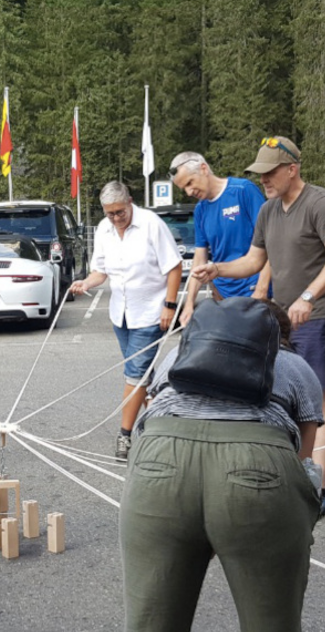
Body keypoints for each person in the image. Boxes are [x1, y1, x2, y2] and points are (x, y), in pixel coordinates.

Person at [112, 297, 324, 632]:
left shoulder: (177, 355)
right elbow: (303, 457)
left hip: (159, 466)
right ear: (278, 337)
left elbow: (148, 414)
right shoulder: (296, 368)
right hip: (257, 472)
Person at [190, 137, 325, 516]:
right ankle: (289, 477)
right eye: (259, 173)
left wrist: (309, 297)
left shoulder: (318, 202)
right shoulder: (268, 211)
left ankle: (316, 490)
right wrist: (217, 268)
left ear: (292, 169)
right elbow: (252, 260)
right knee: (282, 395)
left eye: (270, 171)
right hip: (283, 316)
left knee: (316, 402)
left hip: (318, 315)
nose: (263, 178)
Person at [70, 181, 182, 460]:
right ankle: (164, 430)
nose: (117, 218)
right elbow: (101, 271)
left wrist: (169, 305)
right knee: (144, 377)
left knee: (135, 374)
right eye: (111, 214)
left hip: (150, 312)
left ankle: (125, 435)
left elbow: (174, 266)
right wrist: (85, 283)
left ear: (130, 202)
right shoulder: (104, 229)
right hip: (120, 313)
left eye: (121, 212)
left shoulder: (151, 224)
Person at [167, 152, 267, 324]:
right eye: (184, 189)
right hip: (222, 296)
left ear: (204, 169)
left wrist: (261, 290)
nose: (189, 192)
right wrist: (189, 304)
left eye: (190, 183)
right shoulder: (200, 210)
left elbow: (270, 243)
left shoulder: (243, 190)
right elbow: (200, 258)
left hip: (253, 293)